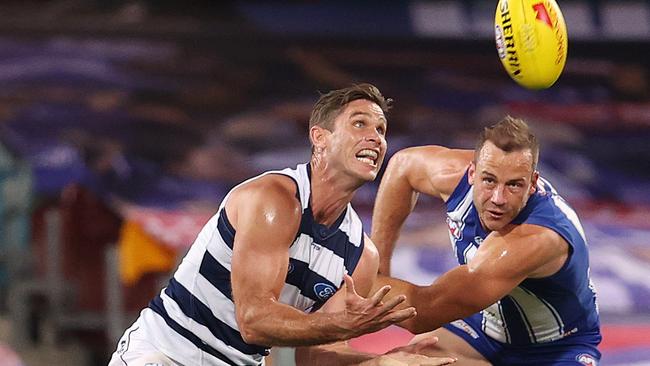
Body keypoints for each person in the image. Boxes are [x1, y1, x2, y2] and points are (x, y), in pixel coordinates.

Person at [108, 83, 456, 366]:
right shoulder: (272, 198)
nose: (375, 138)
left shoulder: (361, 256)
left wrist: (381, 363)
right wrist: (339, 324)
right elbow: (254, 320)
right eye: (359, 124)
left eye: (381, 130)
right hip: (165, 354)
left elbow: (319, 360)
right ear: (319, 137)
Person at [371, 116, 601, 365]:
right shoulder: (453, 174)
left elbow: (423, 313)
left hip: (555, 350)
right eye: (489, 180)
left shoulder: (536, 238)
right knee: (405, 362)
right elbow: (403, 166)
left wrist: (360, 279)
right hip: (483, 331)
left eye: (514, 185)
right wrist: (377, 263)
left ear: (532, 184)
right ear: (472, 172)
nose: (498, 198)